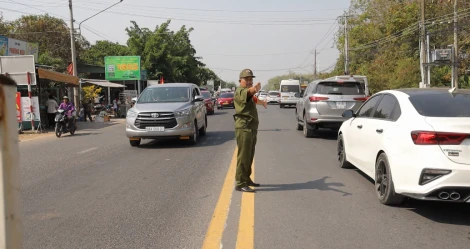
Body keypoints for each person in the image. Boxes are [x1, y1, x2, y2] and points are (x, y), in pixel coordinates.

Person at [233, 69, 267, 193]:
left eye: (250, 79)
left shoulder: (249, 93)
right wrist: (255, 88)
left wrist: (262, 102)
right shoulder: (240, 91)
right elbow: (248, 93)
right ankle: (240, 183)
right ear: (240, 80)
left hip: (251, 127)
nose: (249, 81)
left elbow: (253, 98)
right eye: (246, 79)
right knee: (243, 156)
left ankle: (246, 179)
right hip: (244, 127)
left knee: (250, 154)